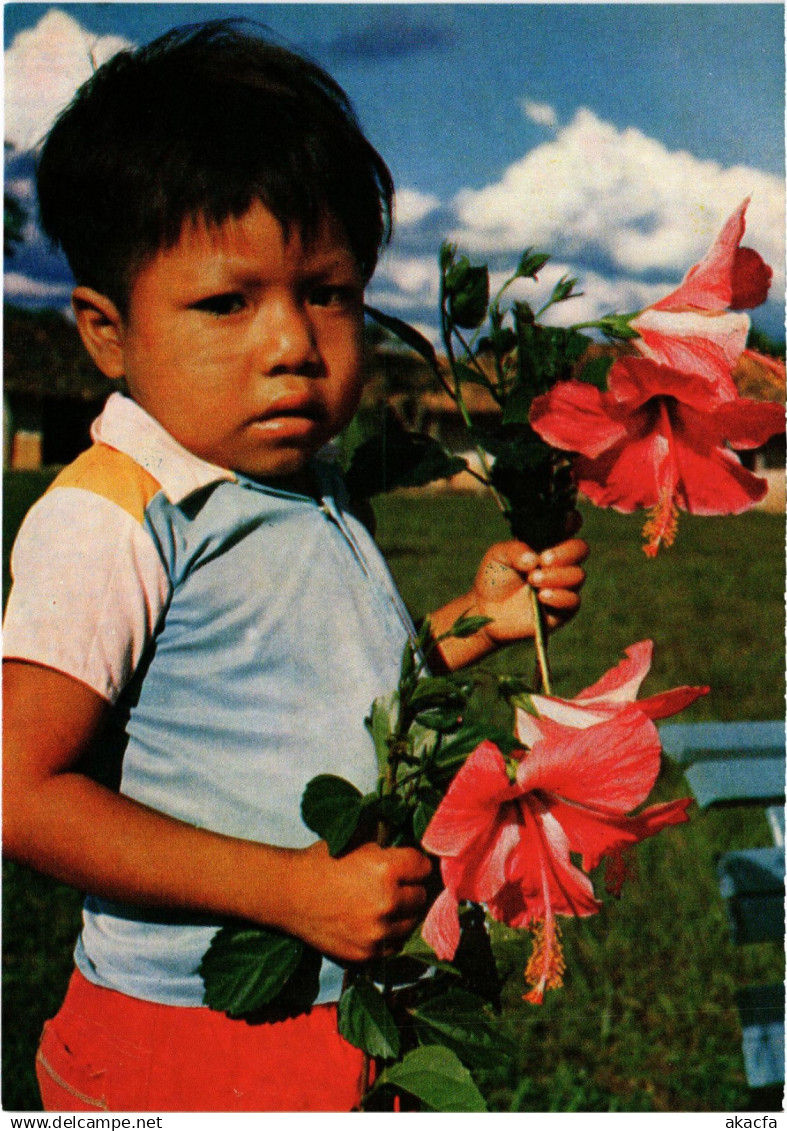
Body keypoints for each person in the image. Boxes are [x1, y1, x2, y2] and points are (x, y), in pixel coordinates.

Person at [2, 22, 588, 1113]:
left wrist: (471, 623)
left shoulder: (307, 485)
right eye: (228, 303)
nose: (292, 343)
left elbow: (345, 695)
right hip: (183, 1039)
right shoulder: (119, 514)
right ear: (105, 332)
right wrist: (286, 892)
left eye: (329, 292)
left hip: (349, 1005)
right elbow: (20, 793)